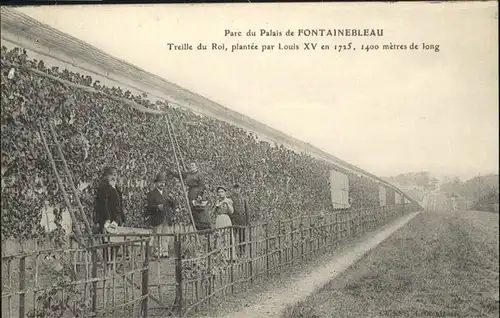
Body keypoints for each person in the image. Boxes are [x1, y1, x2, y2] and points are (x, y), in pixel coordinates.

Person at [94, 167, 125, 263]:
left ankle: (112, 260)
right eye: (111, 174)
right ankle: (107, 261)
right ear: (106, 176)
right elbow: (102, 205)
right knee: (107, 241)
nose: (114, 176)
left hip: (116, 219)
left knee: (117, 241)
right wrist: (106, 219)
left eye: (115, 174)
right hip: (107, 219)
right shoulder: (103, 188)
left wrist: (122, 219)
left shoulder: (116, 188)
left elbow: (120, 206)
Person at [146, 172, 176, 258]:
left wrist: (172, 200)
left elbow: (173, 205)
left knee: (166, 235)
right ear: (156, 183)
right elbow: (149, 207)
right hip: (157, 217)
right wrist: (156, 207)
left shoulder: (167, 193)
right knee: (157, 235)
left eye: (163, 183)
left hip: (166, 217)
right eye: (160, 182)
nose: (162, 184)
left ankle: (165, 251)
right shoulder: (152, 194)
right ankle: (157, 252)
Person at [213, 186, 237, 261]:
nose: (220, 193)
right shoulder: (217, 201)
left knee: (227, 236)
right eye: (219, 192)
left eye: (222, 192)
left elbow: (231, 211)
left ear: (225, 192)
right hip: (219, 219)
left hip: (226, 219)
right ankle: (220, 256)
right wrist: (216, 206)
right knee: (219, 236)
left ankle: (229, 256)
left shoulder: (228, 200)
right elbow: (214, 213)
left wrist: (226, 203)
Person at [229, 184, 250, 257]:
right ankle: (234, 253)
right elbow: (229, 210)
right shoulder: (230, 198)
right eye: (235, 188)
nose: (237, 190)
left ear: (240, 189)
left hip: (242, 219)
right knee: (233, 236)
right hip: (234, 220)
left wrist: (247, 221)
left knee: (242, 236)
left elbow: (247, 210)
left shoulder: (243, 198)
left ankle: (242, 252)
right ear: (233, 189)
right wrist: (231, 218)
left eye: (238, 188)